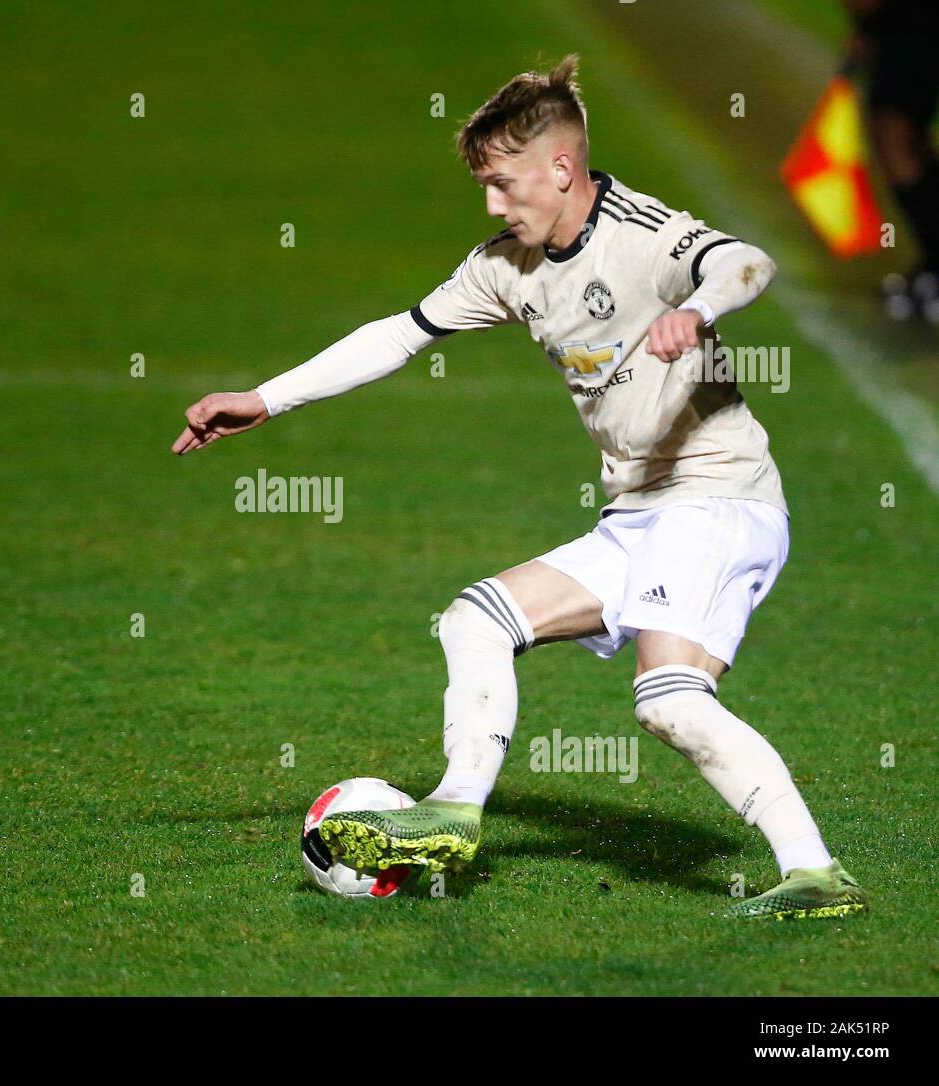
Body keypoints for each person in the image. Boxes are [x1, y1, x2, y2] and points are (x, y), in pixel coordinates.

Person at [171, 57, 867, 920]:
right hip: (637, 513)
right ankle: (455, 812)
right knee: (476, 618)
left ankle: (815, 874)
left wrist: (701, 310)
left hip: (720, 497)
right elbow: (399, 334)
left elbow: (747, 261)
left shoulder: (644, 236)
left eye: (503, 185)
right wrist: (267, 399)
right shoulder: (507, 265)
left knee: (671, 701)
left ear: (561, 169)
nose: (494, 206)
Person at [845, 0, 939, 321]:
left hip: (909, 20)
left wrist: (868, 27)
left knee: (894, 134)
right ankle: (933, 265)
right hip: (907, 21)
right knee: (909, 136)